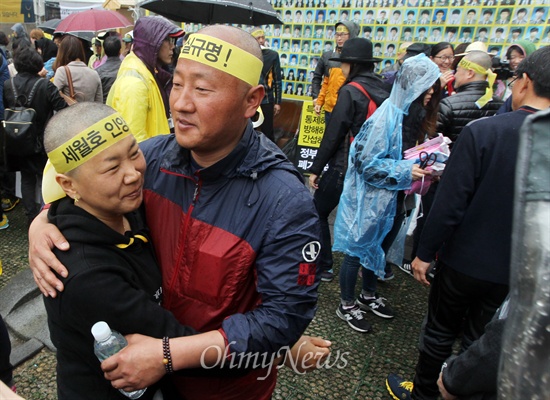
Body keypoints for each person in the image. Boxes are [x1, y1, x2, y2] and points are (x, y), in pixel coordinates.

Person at [29, 25, 323, 400]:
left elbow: (283, 320)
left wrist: (168, 355)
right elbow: (76, 181)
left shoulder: (284, 201)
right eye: (177, 83)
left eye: (202, 89)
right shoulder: (151, 157)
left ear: (252, 100)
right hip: (153, 382)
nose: (181, 103)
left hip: (223, 386)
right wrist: (44, 222)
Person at [387, 45, 550, 400]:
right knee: (483, 337)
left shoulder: (486, 132)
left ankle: (425, 393)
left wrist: (424, 253)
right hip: (521, 272)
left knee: (440, 331)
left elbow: (450, 202)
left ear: (523, 82)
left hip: (463, 261)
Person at [332, 54, 439, 332]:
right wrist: (407, 171)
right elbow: (368, 165)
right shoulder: (386, 118)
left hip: (385, 199)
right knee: (356, 251)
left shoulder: (404, 116)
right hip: (367, 200)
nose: (430, 92)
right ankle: (346, 304)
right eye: (426, 85)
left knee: (374, 248)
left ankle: (367, 295)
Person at [401, 50, 503, 276]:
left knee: (431, 217)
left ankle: (417, 258)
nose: (453, 74)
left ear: (469, 72)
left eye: (457, 70)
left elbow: (431, 144)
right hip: (481, 178)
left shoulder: (449, 104)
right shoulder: (500, 105)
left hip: (444, 175)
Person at [308, 38, 390, 285]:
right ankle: (367, 276)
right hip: (372, 169)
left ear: (352, 64)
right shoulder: (384, 90)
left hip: (344, 167)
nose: (341, 68)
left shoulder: (350, 91)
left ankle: (324, 266)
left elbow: (333, 133)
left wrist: (315, 169)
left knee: (317, 211)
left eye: (343, 63)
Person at [3, 46, 67, 226]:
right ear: (37, 64)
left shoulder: (9, 84)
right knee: (44, 177)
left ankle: (31, 216)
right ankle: (46, 213)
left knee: (26, 178)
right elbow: (62, 108)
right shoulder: (45, 85)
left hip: (17, 140)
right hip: (42, 139)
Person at [107, 16, 183, 142]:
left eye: (173, 40)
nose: (172, 46)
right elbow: (135, 140)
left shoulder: (150, 72)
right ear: (152, 44)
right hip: (150, 158)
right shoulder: (134, 82)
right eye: (167, 40)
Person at [312, 21, 359, 129]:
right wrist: (317, 99)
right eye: (337, 35)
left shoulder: (358, 58)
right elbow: (321, 79)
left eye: (343, 35)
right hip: (329, 107)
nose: (339, 38)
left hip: (347, 109)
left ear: (351, 35)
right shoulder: (328, 56)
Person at [251, 27, 282, 143]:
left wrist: (278, 102)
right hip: (250, 98)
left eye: (262, 37)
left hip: (267, 98)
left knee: (267, 131)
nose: (261, 40)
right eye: (258, 38)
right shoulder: (248, 55)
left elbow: (277, 79)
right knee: (249, 129)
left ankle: (269, 157)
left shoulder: (273, 55)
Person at [53, 35, 103, 103]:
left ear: (62, 52)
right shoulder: (94, 74)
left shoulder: (62, 71)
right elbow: (99, 103)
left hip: (70, 112)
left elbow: (53, 98)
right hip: (91, 112)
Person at [95, 36, 122, 103]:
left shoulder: (97, 72)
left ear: (105, 51)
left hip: (105, 109)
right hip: (122, 107)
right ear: (119, 51)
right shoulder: (127, 69)